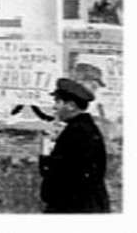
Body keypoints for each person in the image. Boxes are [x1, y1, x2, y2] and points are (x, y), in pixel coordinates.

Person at [39, 77, 110, 213]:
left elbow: (59, 174)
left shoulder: (76, 132)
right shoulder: (83, 128)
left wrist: (46, 150)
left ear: (71, 106)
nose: (54, 107)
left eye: (58, 102)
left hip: (74, 206)